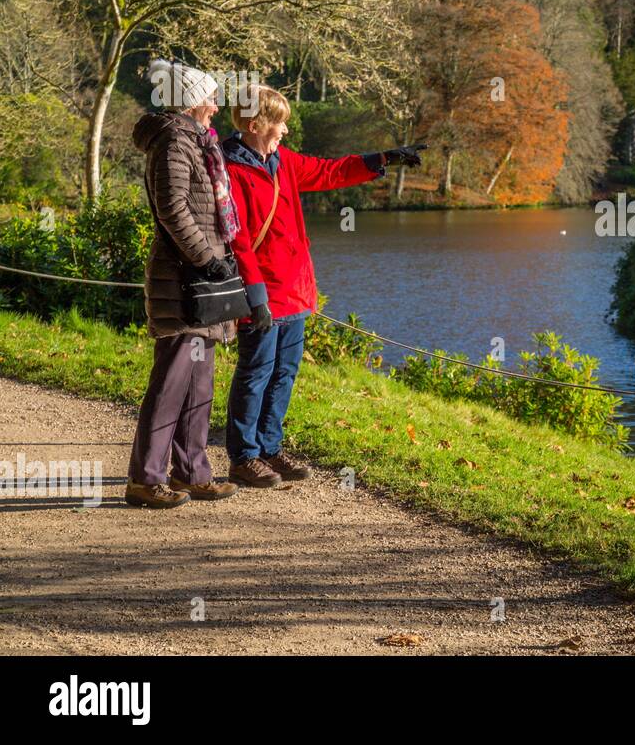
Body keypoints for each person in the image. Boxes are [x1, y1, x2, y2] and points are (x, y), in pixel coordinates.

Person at [222, 83, 425, 487]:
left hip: (295, 291)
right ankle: (244, 457)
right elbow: (239, 239)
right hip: (262, 294)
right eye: (278, 122)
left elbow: (330, 171)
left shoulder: (283, 162)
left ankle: (269, 448)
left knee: (284, 373)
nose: (284, 131)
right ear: (254, 123)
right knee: (255, 373)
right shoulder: (232, 170)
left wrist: (382, 158)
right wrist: (255, 295)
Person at [126, 60, 241, 508]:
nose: (215, 106)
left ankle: (193, 472)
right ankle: (146, 478)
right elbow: (173, 208)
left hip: (205, 278)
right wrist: (208, 259)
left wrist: (217, 262)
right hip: (183, 277)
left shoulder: (198, 141)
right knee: (172, 381)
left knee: (199, 382)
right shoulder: (174, 139)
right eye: (209, 98)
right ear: (190, 100)